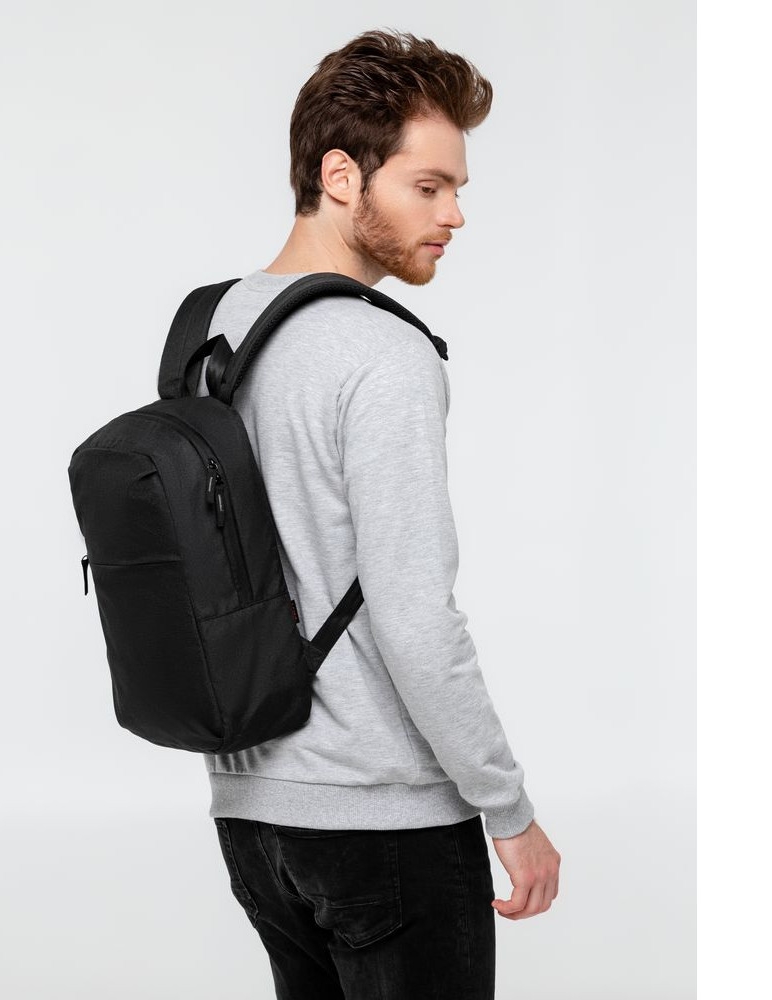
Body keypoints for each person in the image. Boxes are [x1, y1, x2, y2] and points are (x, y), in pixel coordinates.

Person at [196, 28, 561, 1000]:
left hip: (252, 815)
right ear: (340, 175)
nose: (454, 215)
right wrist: (508, 809)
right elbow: (414, 617)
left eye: (457, 189)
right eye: (428, 186)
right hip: (384, 820)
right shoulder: (382, 355)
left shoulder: (214, 330)